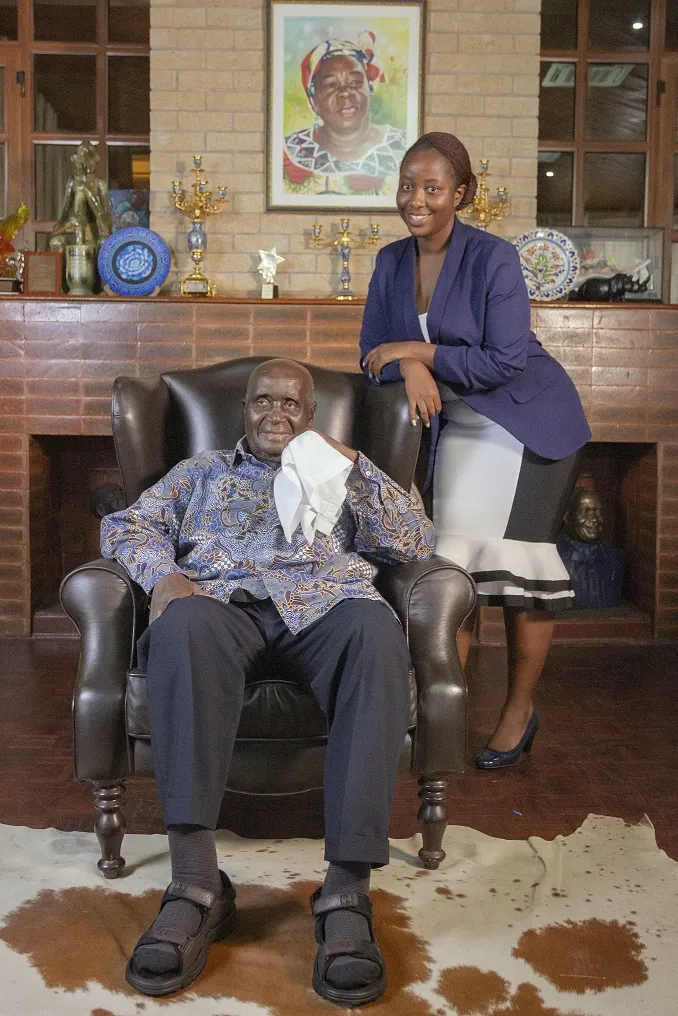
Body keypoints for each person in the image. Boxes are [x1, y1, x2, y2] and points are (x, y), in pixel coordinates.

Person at [100, 358, 434, 1005]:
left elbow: (413, 540)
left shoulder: (338, 475)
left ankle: (345, 892)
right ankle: (196, 885)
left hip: (326, 607)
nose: (275, 412)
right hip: (224, 608)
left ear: (311, 417)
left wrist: (354, 464)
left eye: (290, 403)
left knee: (376, 630)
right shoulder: (201, 473)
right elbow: (127, 524)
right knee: (182, 626)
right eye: (262, 401)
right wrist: (166, 578)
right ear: (243, 411)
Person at [360, 132, 591, 770]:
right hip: (459, 428)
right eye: (408, 184)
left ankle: (518, 711)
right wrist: (405, 368)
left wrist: (419, 353)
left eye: (432, 188)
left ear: (462, 194)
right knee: (451, 571)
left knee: (521, 577)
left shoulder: (494, 259)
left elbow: (503, 361)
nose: (416, 199)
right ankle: (443, 715)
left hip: (526, 425)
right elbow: (371, 352)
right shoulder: (389, 262)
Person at [284, 33, 407, 197]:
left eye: (355, 82)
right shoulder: (287, 154)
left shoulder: (406, 147)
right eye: (331, 85)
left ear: (370, 89)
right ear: (313, 100)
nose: (345, 93)